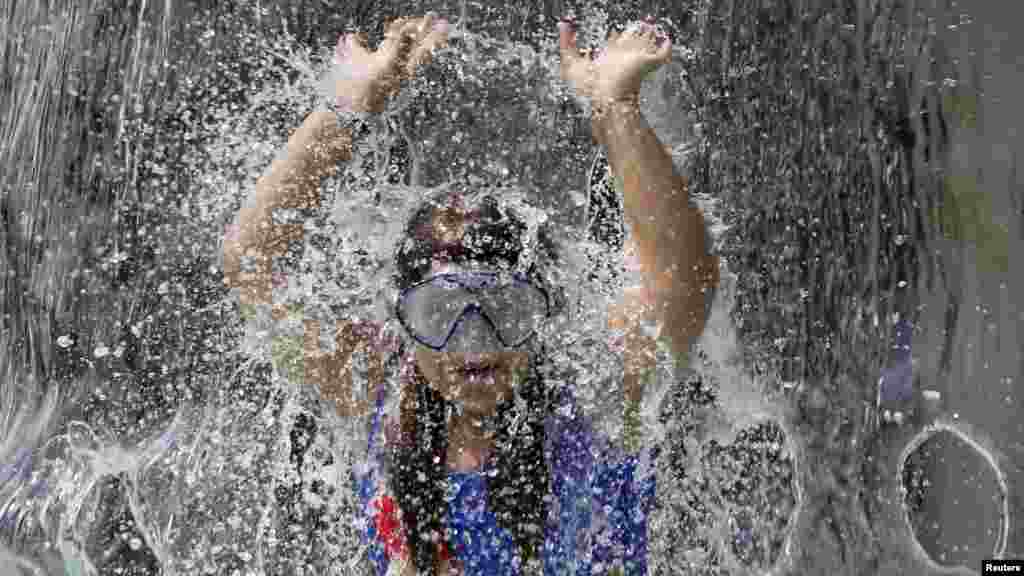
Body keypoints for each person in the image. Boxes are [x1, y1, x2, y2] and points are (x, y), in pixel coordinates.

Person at [222, 12, 720, 576]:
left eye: (503, 307)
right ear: (405, 319)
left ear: (540, 311)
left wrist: (616, 109)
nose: (473, 340)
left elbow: (683, 283)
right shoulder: (374, 395)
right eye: (441, 311)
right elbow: (252, 264)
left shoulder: (592, 398)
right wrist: (351, 105)